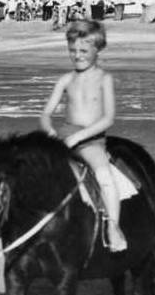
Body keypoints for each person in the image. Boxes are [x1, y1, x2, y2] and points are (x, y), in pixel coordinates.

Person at [40, 20, 124, 252]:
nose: (77, 56)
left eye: (83, 51)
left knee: (104, 176)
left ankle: (113, 229)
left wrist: (78, 138)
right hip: (64, 135)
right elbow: (46, 114)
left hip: (91, 140)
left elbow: (108, 119)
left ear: (98, 49)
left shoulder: (104, 79)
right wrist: (50, 133)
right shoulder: (66, 80)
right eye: (73, 51)